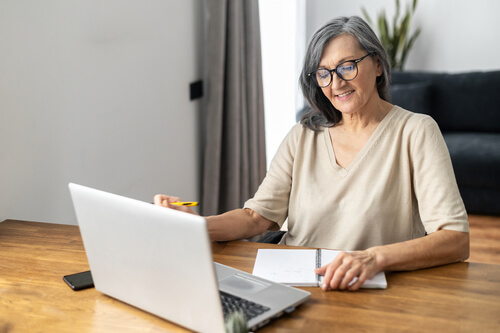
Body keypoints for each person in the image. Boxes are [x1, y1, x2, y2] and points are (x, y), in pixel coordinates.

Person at [154, 16, 469, 291]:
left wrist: (375, 257)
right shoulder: (302, 136)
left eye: (347, 66)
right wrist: (197, 226)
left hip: (371, 288)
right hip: (295, 285)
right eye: (324, 73)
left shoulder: (416, 132)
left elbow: (455, 238)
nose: (336, 83)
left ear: (376, 64)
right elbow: (255, 218)